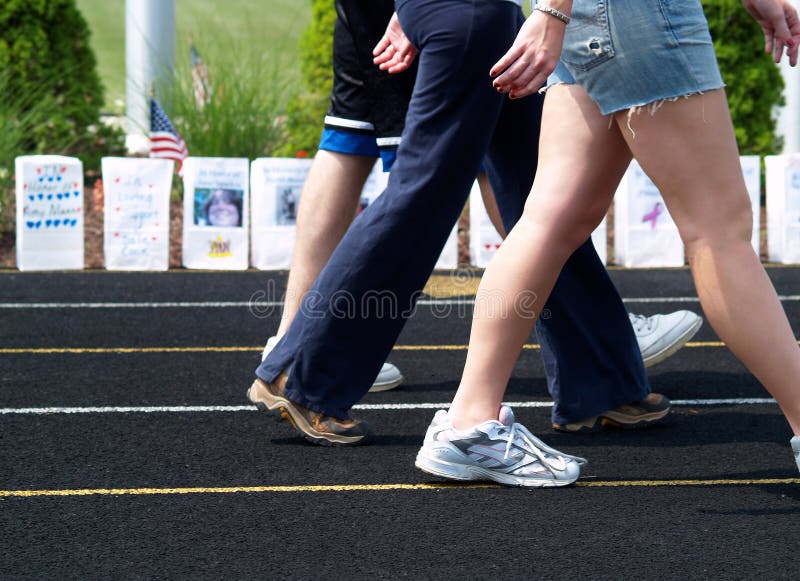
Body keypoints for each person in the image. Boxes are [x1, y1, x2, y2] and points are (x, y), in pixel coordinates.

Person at [249, 0, 700, 448]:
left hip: (491, 18)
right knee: (424, 195)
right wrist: (553, 14)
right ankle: (300, 372)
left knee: (543, 198)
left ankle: (601, 383)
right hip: (473, 16)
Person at [415, 0, 800, 487]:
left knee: (549, 222)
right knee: (719, 233)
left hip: (596, 17)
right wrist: (552, 13)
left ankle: (468, 426)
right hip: (636, 15)